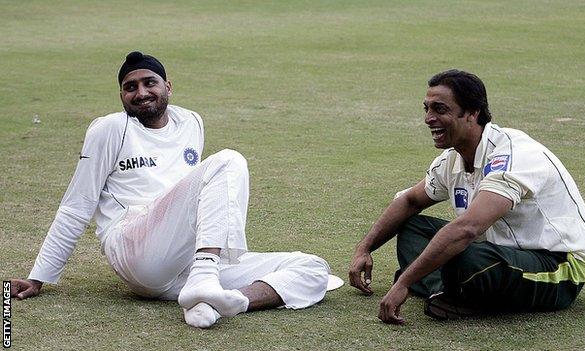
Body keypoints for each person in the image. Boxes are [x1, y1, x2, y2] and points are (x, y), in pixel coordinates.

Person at [11, 51, 339, 328]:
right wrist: (39, 277)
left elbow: (193, 194)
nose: (140, 93)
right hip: (134, 246)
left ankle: (224, 303)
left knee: (313, 269)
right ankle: (206, 276)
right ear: (121, 95)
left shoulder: (190, 122)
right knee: (228, 161)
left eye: (149, 83)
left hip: (182, 260)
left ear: (168, 86)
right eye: (130, 87)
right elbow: (76, 206)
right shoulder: (109, 129)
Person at [348, 69, 585, 324]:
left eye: (439, 109)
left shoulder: (513, 154)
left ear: (472, 113)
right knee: (414, 227)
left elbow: (469, 228)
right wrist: (364, 249)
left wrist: (404, 281)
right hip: (501, 254)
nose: (428, 118)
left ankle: (448, 288)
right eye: (426, 109)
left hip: (558, 269)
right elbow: (410, 201)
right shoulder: (452, 159)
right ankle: (450, 289)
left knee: (470, 257)